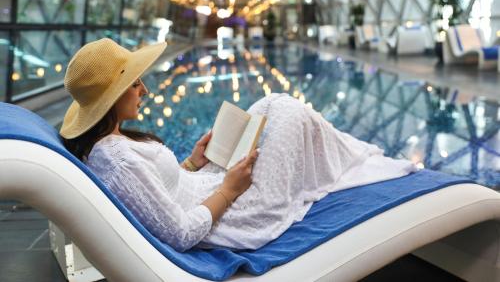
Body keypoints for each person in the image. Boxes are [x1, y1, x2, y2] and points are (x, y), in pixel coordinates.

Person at [61, 38, 417, 252]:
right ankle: (356, 156)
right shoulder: (117, 159)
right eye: (136, 83)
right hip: (237, 215)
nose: (145, 90)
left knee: (267, 106)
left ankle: (350, 153)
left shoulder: (112, 144)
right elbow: (181, 233)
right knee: (287, 109)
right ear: (112, 96)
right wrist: (230, 190)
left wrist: (193, 163)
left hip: (209, 187)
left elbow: (155, 191)